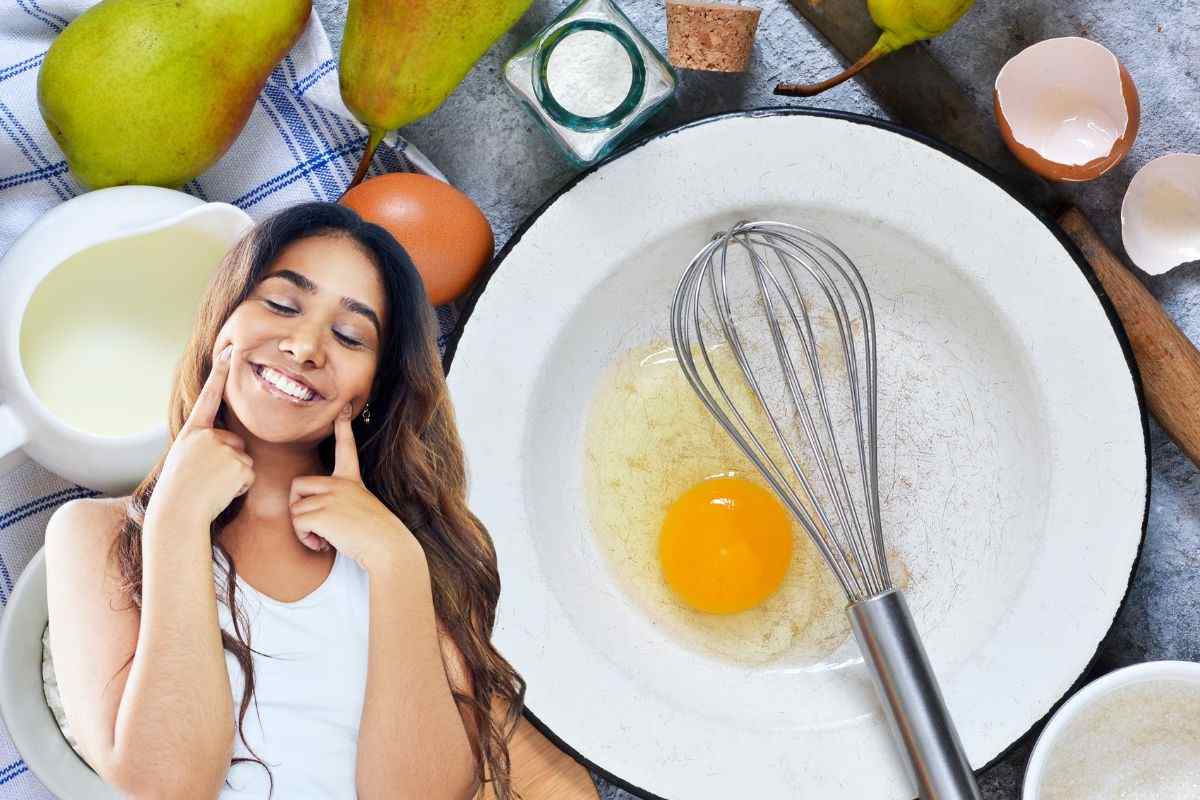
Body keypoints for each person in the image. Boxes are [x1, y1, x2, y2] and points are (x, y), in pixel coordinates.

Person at [43, 201, 526, 799]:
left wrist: (396, 564)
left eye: (350, 335)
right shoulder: (92, 535)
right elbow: (167, 786)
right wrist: (175, 520)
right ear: (223, 322)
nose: (303, 346)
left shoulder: (423, 547)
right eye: (280, 303)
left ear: (372, 390)